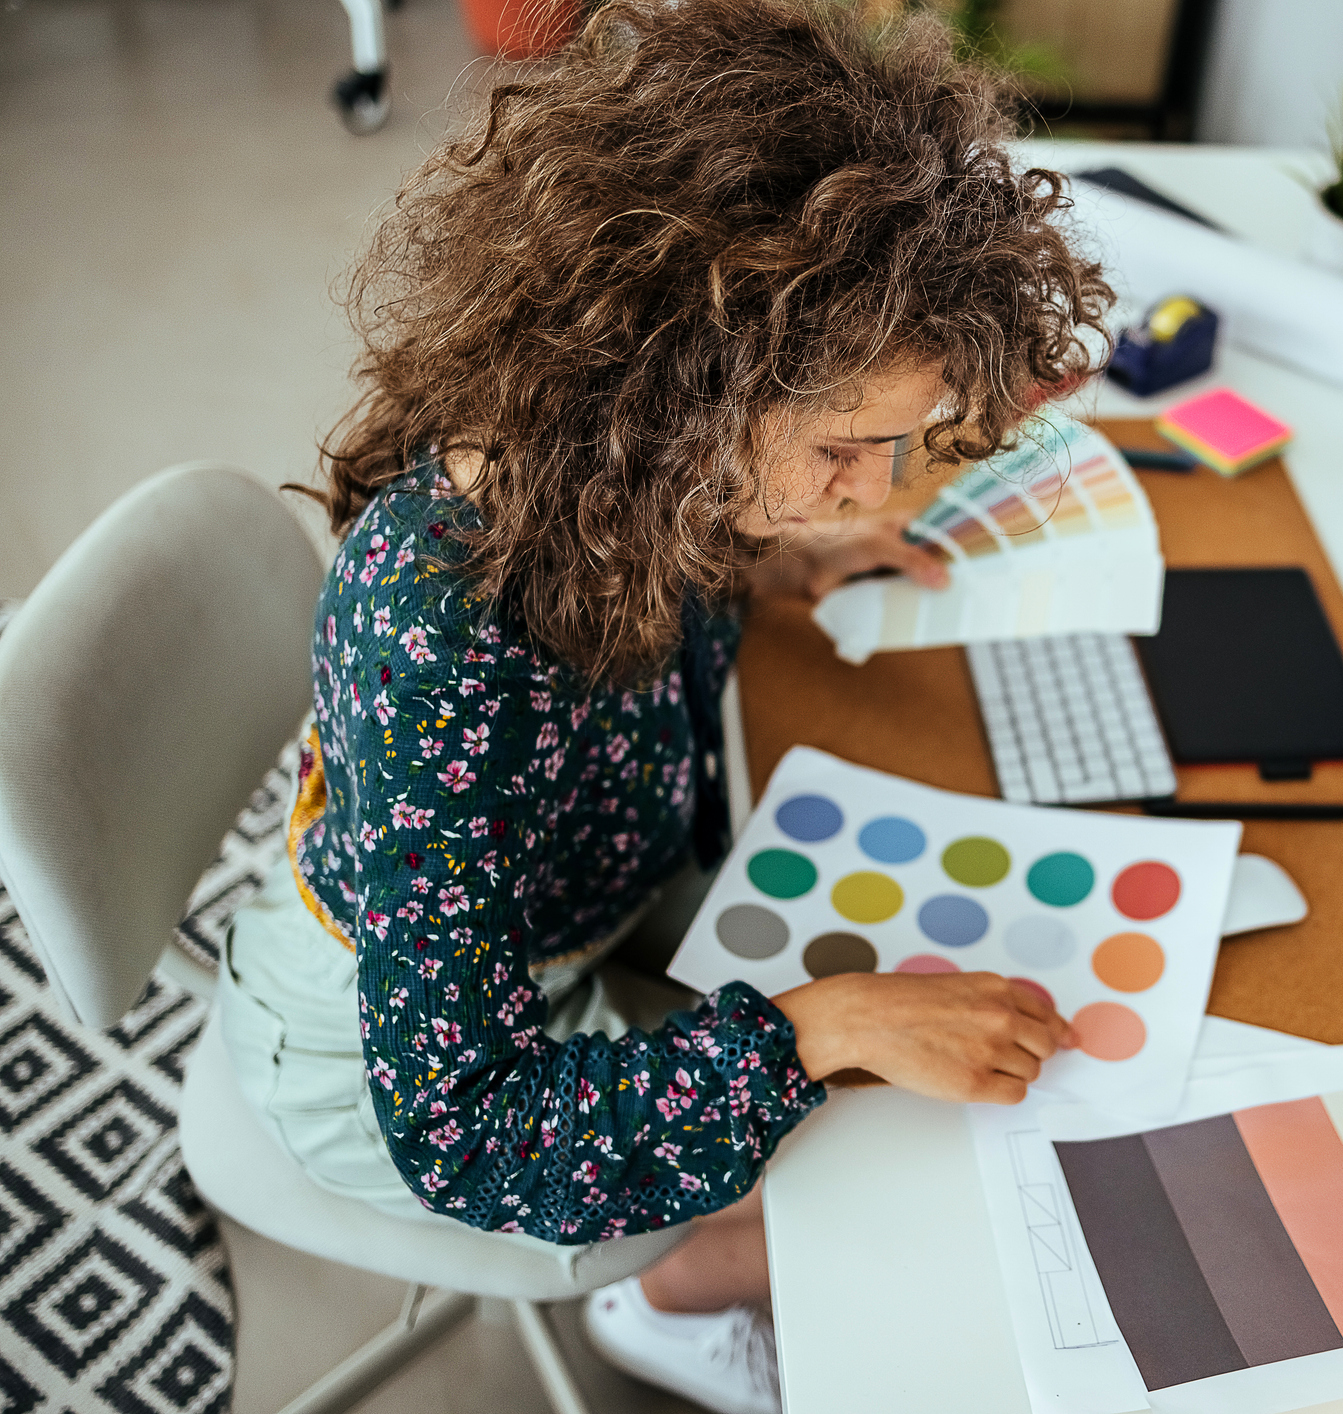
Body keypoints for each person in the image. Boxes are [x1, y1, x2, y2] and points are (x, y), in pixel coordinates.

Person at [216, 3, 1112, 1410]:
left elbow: (709, 546)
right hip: (391, 1059)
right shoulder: (440, 636)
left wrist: (775, 551)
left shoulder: (638, 461)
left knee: (911, 1079)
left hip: (592, 876)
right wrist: (820, 1029)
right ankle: (676, 1299)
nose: (877, 489)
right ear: (680, 382)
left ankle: (707, 1256)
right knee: (883, 1143)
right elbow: (467, 1129)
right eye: (843, 449)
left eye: (894, 448)